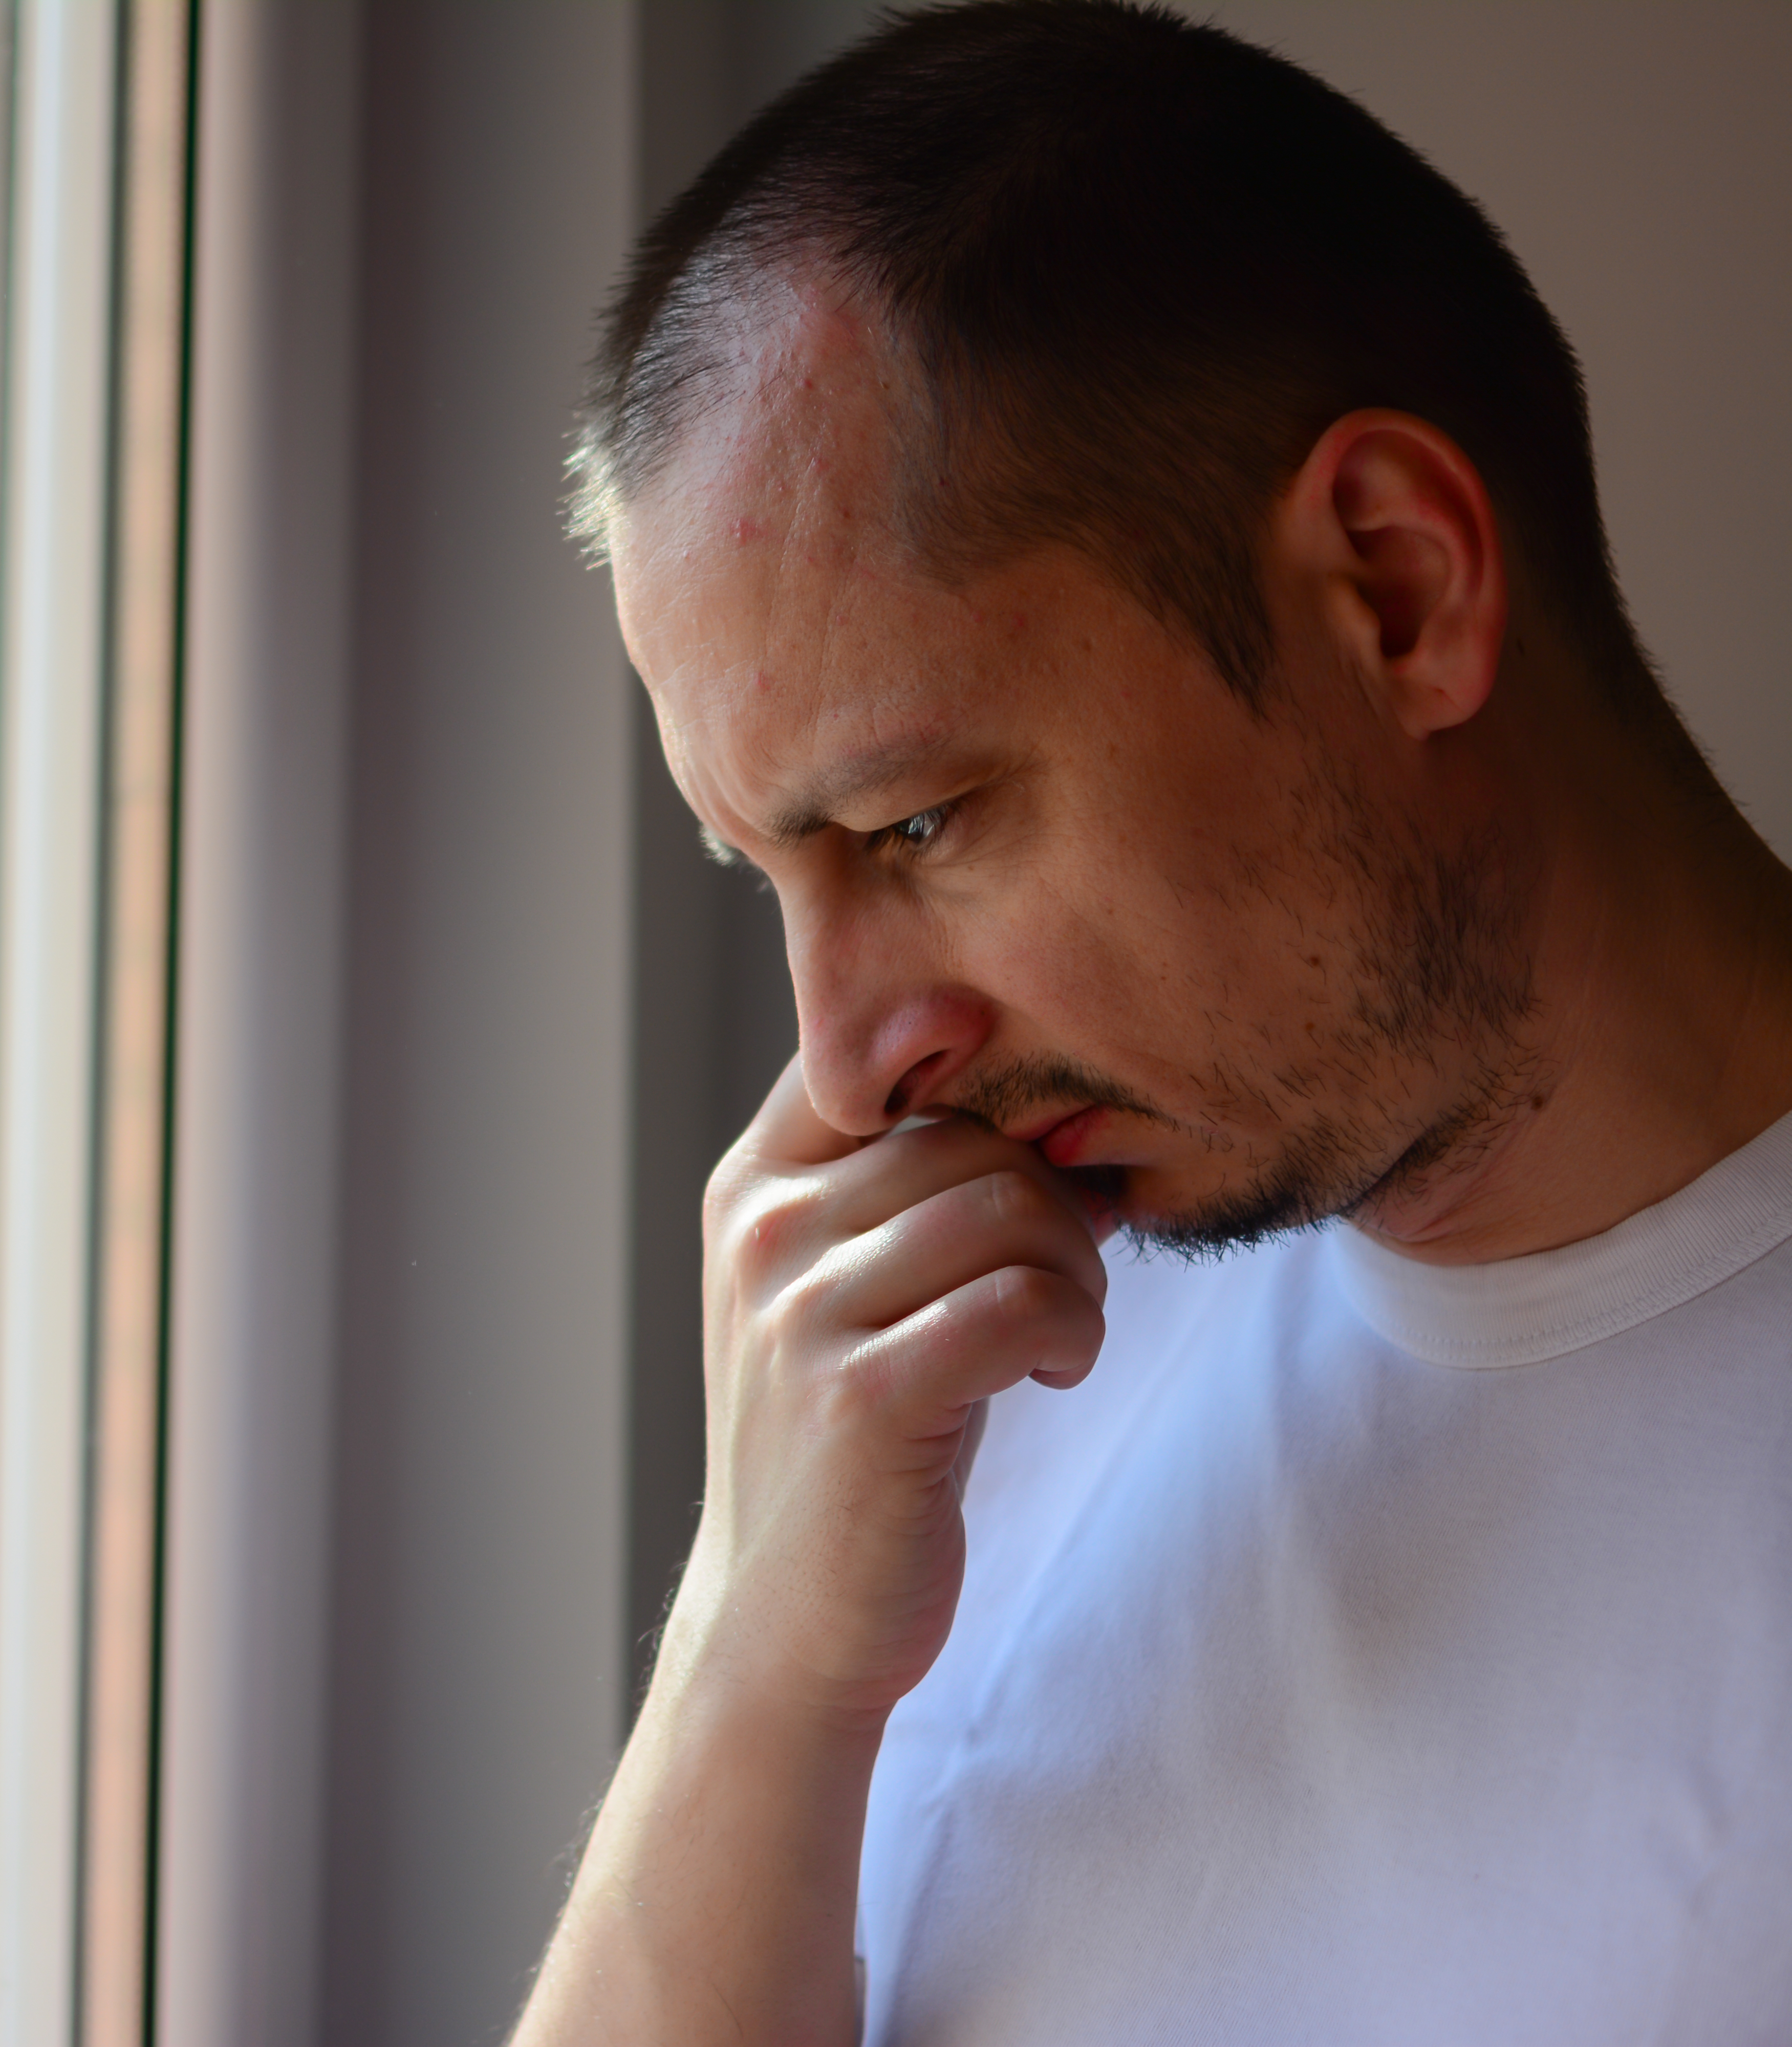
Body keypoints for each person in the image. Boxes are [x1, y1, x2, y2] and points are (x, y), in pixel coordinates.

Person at [514, 3, 1792, 2041]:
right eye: (766, 869)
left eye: (922, 822)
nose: (849, 1065)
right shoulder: (951, 1363)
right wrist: (750, 1653)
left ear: (1394, 590)